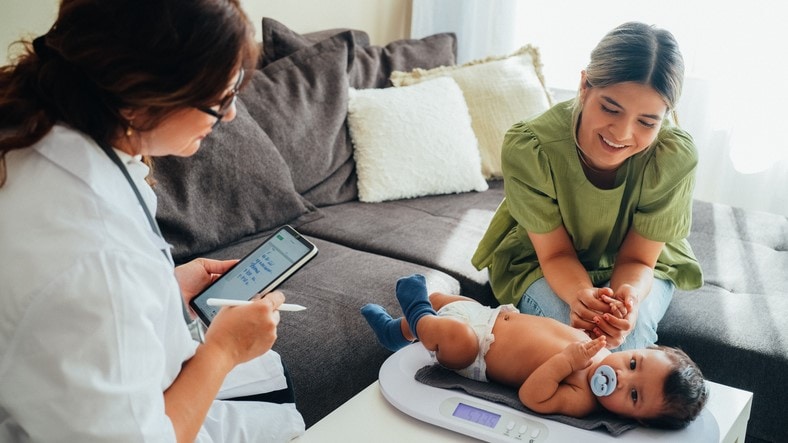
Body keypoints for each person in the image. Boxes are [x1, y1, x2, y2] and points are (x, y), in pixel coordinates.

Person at [0, 0, 304, 441]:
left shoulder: (31, 132)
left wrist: (165, 289)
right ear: (141, 94)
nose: (231, 114)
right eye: (219, 100)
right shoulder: (99, 260)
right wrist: (222, 352)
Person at [471, 22, 703, 351]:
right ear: (584, 86)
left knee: (625, 339)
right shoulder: (530, 148)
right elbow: (555, 253)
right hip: (542, 261)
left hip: (639, 263)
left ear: (665, 117)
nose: (622, 133)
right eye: (610, 108)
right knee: (597, 347)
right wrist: (582, 296)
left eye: (647, 122)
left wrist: (629, 301)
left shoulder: (673, 157)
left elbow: (639, 260)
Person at [362, 274, 708, 429]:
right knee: (446, 303)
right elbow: (559, 331)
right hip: (493, 316)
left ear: (637, 418)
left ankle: (416, 308)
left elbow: (533, 396)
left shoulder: (583, 399)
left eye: (633, 394)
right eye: (634, 363)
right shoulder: (603, 351)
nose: (621, 378)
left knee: (450, 334)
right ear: (641, 350)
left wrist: (567, 361)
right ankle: (396, 332)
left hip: (477, 353)